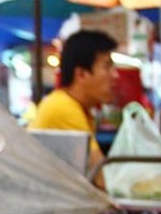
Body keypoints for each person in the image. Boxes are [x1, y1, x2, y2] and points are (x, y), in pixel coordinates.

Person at [30, 30, 118, 184]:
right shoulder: (62, 107)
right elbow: (103, 179)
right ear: (81, 74)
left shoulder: (80, 107)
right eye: (107, 67)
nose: (115, 75)